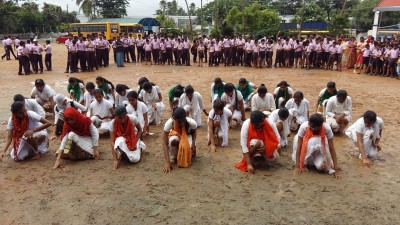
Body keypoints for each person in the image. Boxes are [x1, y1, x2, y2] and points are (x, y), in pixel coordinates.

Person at [292, 113, 340, 178]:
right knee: (312, 141)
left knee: (322, 167)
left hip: (320, 148)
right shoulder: (304, 126)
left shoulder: (327, 128)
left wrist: (336, 170)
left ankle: (315, 160)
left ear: (320, 126)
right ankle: (305, 162)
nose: (312, 128)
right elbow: (299, 147)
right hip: (305, 146)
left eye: (314, 127)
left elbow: (332, 149)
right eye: (310, 126)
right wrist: (297, 166)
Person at [162, 107, 197, 174]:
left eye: (184, 120)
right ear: (174, 119)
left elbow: (194, 133)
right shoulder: (169, 124)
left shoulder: (192, 123)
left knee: (190, 154)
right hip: (175, 136)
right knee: (173, 140)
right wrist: (167, 162)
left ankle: (181, 151)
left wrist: (193, 144)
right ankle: (173, 157)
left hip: (186, 137)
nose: (182, 123)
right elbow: (164, 142)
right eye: (179, 122)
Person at [110, 106, 146, 170]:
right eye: (120, 118)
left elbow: (140, 130)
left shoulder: (133, 118)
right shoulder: (112, 123)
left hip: (133, 138)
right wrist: (115, 160)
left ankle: (138, 147)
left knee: (134, 160)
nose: (122, 120)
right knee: (119, 141)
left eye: (124, 117)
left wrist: (135, 141)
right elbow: (112, 142)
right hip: (122, 139)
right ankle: (122, 152)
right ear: (116, 116)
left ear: (126, 114)